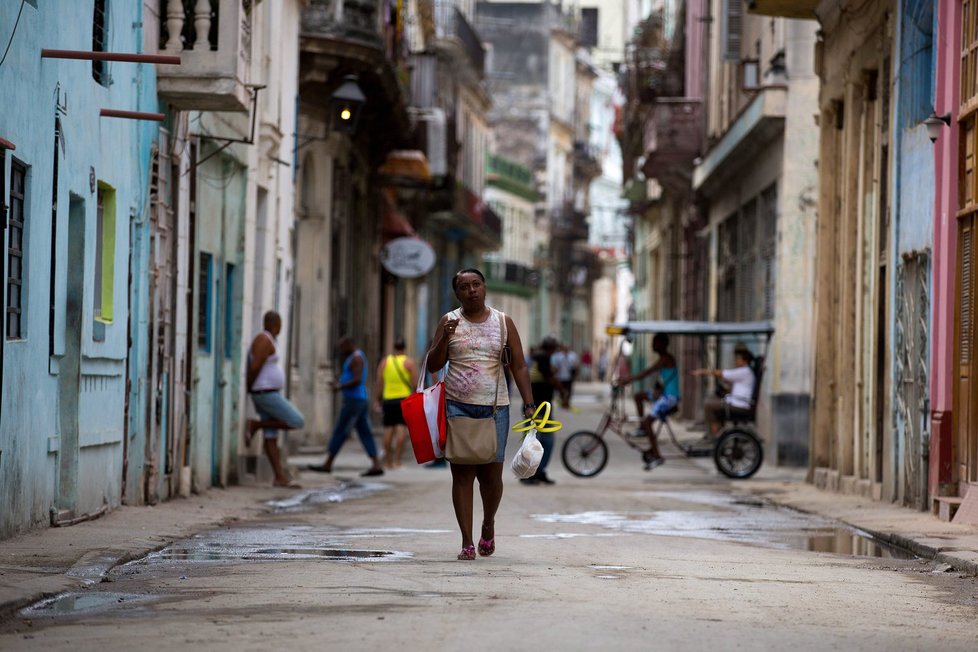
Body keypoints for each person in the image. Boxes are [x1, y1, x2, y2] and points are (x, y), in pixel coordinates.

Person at [426, 268, 535, 561]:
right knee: (461, 475)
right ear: (457, 293)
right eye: (464, 286)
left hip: (495, 407)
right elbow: (433, 364)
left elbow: (520, 366)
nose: (471, 290)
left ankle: (488, 524)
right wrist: (443, 339)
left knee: (491, 477)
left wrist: (528, 403)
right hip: (457, 406)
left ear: (485, 288)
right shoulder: (449, 321)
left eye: (476, 284)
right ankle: (466, 541)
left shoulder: (503, 322)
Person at [308, 336, 385, 477]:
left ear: (350, 344)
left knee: (341, 430)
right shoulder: (355, 357)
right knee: (364, 432)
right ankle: (376, 463)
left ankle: (328, 463)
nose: (341, 351)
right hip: (357, 400)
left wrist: (339, 386)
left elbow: (357, 379)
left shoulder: (356, 358)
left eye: (343, 347)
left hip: (353, 400)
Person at [246, 311, 305, 489]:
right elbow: (255, 366)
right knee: (296, 420)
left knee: (271, 435)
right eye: (279, 324)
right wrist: (250, 387)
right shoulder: (264, 340)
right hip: (265, 392)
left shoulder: (268, 339)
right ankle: (255, 426)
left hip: (267, 392)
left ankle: (279, 477)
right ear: (275, 324)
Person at [616, 333, 679, 470]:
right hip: (663, 394)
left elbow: (647, 372)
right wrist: (658, 389)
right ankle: (642, 428)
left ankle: (657, 455)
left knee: (648, 422)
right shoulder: (663, 359)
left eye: (656, 342)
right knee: (639, 396)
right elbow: (663, 379)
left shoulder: (666, 359)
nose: (653, 345)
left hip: (670, 398)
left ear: (663, 344)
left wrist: (628, 379)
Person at [691, 345, 756, 440]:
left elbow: (721, 373)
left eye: (738, 359)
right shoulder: (743, 372)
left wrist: (702, 372)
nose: (736, 361)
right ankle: (718, 431)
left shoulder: (744, 371)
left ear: (745, 361)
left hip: (740, 406)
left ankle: (714, 435)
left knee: (708, 405)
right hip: (737, 402)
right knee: (713, 401)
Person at [374, 337, 418, 469]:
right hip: (403, 400)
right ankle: (397, 461)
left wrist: (377, 399)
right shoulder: (408, 363)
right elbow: (415, 383)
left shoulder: (385, 362)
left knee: (388, 430)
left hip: (388, 400)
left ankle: (387, 462)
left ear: (394, 347)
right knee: (401, 430)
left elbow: (379, 383)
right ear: (404, 348)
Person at [524, 337, 562, 485]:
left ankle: (537, 472)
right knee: (542, 440)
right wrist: (563, 392)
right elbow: (550, 379)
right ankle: (533, 473)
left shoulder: (539, 357)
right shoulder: (543, 357)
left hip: (539, 405)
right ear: (551, 348)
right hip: (539, 406)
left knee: (539, 439)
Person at [551, 343, 579, 408]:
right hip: (560, 377)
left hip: (569, 376)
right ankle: (563, 401)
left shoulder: (573, 355)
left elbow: (576, 365)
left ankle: (567, 402)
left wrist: (576, 374)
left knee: (569, 390)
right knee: (561, 390)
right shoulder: (558, 356)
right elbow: (555, 366)